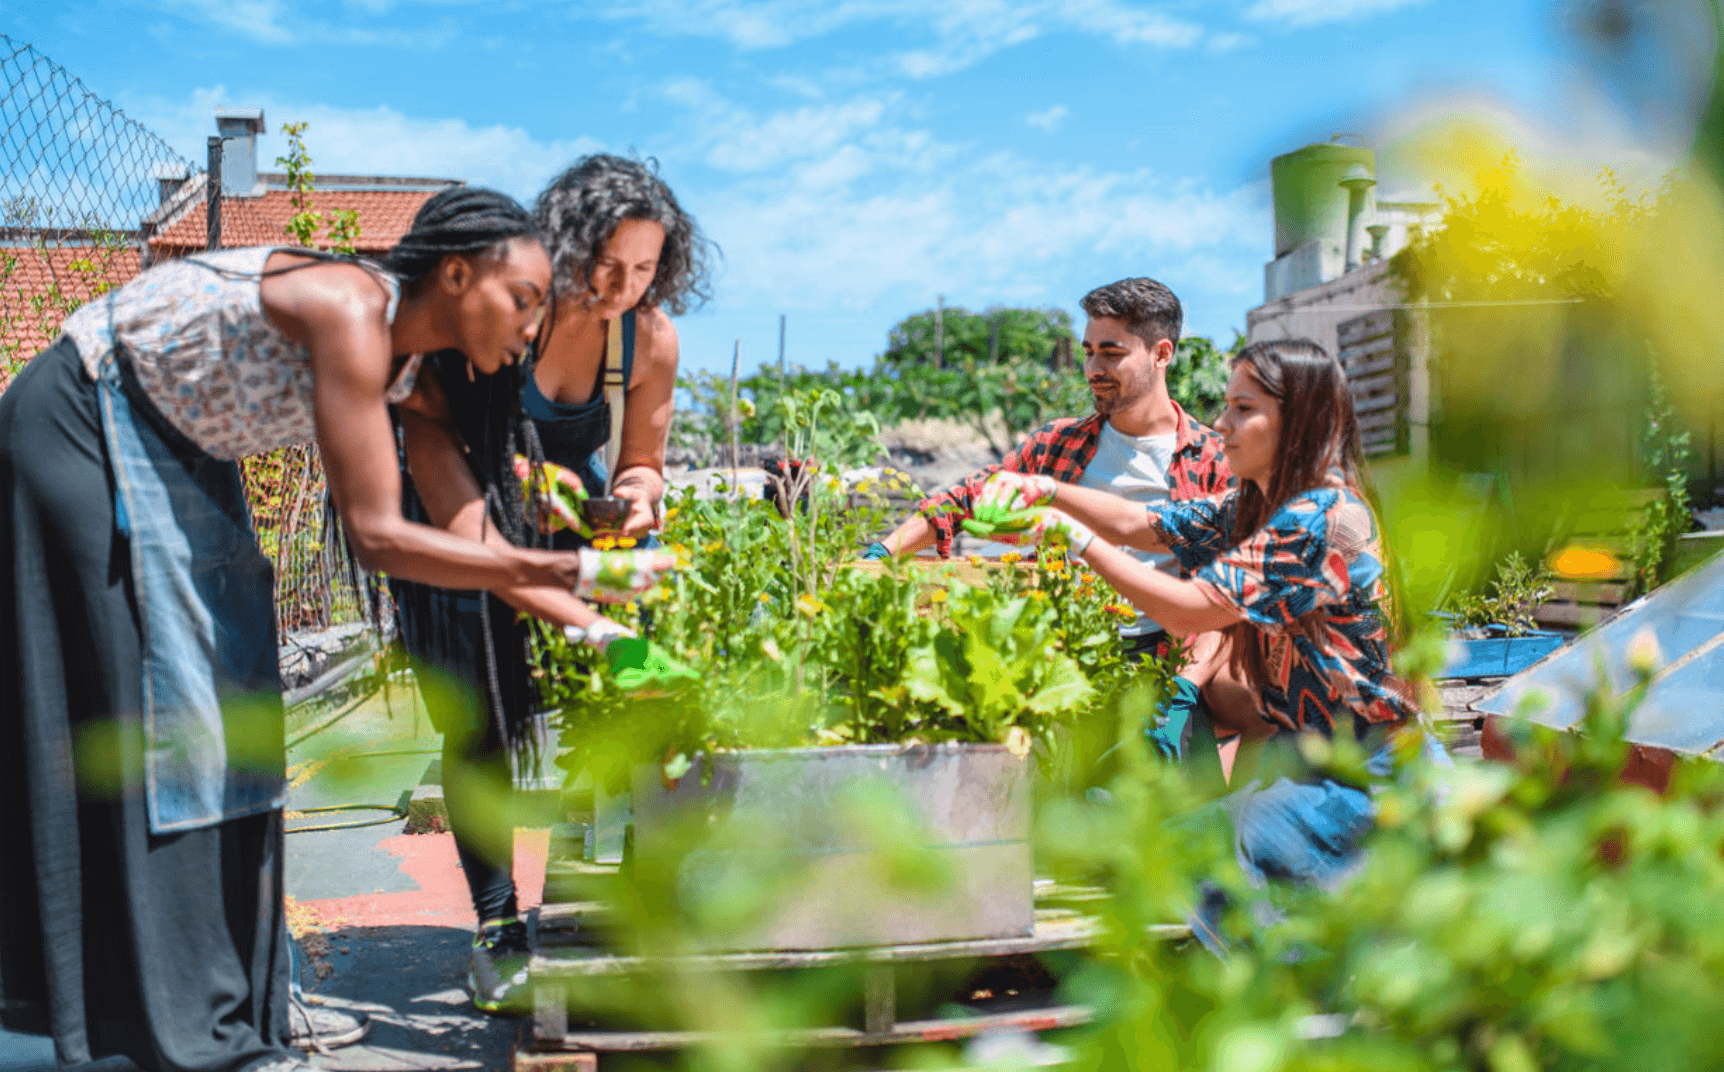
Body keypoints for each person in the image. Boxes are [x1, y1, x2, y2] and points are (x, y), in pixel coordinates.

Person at [0, 187, 672, 1072]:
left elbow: (469, 538)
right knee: (170, 714)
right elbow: (379, 536)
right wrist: (579, 569)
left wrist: (597, 630)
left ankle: (240, 1006)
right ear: (458, 273)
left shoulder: (413, 379)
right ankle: (191, 1033)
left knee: (237, 701)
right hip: (86, 418)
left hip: (180, 443)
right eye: (522, 298)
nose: (533, 324)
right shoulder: (355, 307)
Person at [389, 154, 712, 1015]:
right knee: (480, 716)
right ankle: (498, 926)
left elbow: (643, 462)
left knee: (638, 693)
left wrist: (635, 501)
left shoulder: (649, 337)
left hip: (575, 528)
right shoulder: (509, 309)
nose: (622, 284)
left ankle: (623, 894)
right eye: (609, 263)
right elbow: (441, 442)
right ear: (566, 243)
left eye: (646, 268)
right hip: (458, 515)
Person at [973, 338, 1422, 900]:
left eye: (1243, 409)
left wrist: (1072, 537)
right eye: (1226, 405)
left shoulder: (1324, 519)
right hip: (1310, 767)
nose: (1221, 423)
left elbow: (1188, 610)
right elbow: (1143, 522)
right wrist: (1049, 490)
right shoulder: (1258, 507)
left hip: (1367, 781)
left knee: (1158, 872)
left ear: (1300, 421)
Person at [869, 278, 1234, 756]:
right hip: (1064, 660)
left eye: (1111, 353)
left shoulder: (1212, 459)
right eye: (1088, 352)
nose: (1093, 369)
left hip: (1163, 671)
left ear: (1161, 354)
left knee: (1175, 821)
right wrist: (881, 555)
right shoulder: (1056, 446)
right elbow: (966, 497)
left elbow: (1222, 594)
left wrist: (1185, 689)